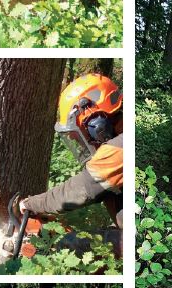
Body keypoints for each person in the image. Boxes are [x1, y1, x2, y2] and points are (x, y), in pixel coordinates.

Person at [20, 73, 123, 255]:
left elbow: (77, 192)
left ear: (96, 125)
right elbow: (100, 193)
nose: (84, 143)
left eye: (81, 135)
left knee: (66, 244)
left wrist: (29, 204)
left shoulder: (118, 149)